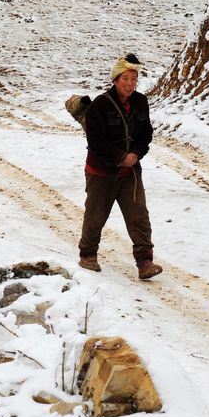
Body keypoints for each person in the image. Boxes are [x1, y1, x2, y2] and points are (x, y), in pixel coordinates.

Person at [77, 53, 163, 280]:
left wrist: (135, 154)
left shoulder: (140, 102)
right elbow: (96, 143)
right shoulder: (101, 105)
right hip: (101, 172)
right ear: (115, 80)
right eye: (126, 78)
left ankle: (145, 262)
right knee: (96, 216)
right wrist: (119, 158)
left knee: (138, 216)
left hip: (130, 172)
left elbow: (145, 133)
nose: (130, 84)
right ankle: (88, 255)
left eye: (134, 79)